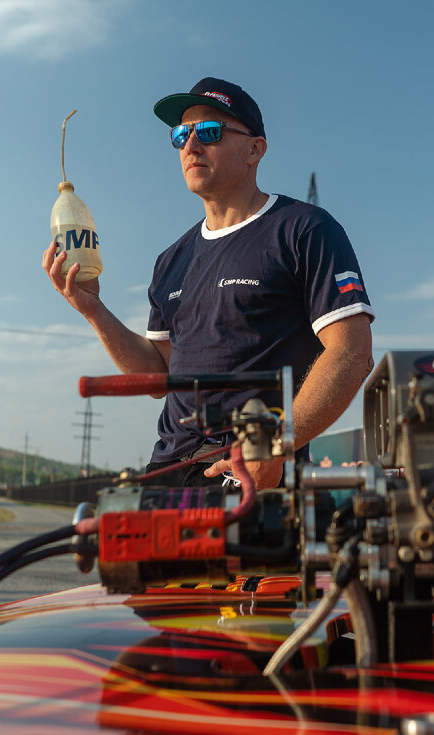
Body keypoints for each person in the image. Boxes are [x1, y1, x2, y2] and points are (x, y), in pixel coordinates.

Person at [44, 77, 374, 489]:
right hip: (168, 469)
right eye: (181, 134)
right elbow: (157, 373)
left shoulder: (304, 230)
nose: (191, 145)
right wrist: (92, 308)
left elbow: (351, 353)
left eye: (210, 132)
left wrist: (274, 446)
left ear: (255, 149)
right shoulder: (171, 260)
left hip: (255, 474)